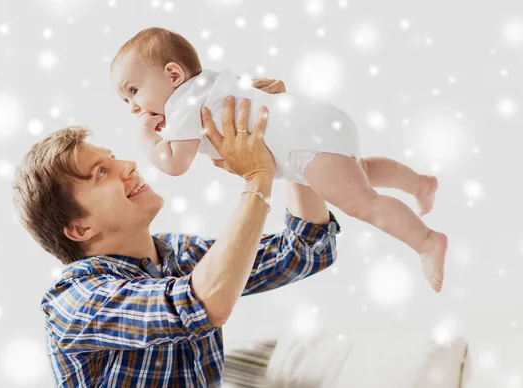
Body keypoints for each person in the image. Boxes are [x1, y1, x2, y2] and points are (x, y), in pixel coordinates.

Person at [12, 95, 341, 387]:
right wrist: (257, 179)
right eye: (100, 173)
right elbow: (202, 304)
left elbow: (305, 251)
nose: (128, 165)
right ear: (80, 229)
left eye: (113, 159)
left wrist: (287, 142)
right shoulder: (75, 301)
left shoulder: (180, 254)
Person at [110, 27, 447, 293]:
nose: (133, 108)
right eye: (124, 101)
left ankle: (427, 241)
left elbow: (174, 164)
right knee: (362, 171)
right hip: (316, 120)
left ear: (172, 75)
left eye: (134, 91)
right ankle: (419, 183)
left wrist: (146, 137)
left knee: (363, 203)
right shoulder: (209, 83)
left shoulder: (182, 106)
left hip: (303, 145)